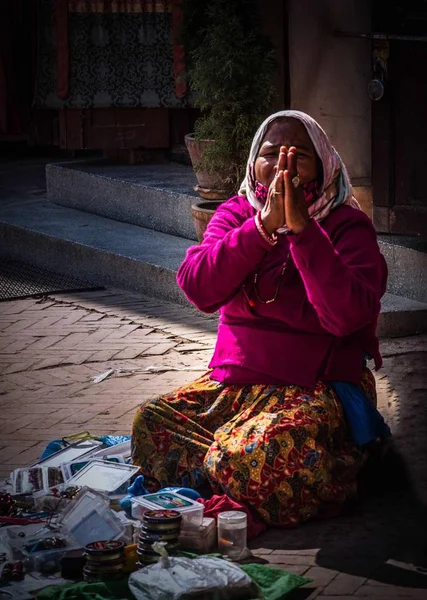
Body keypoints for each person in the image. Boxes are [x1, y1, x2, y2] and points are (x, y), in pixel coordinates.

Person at [132, 110, 390, 527]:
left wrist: (304, 231)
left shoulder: (347, 226)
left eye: (298, 156)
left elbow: (347, 317)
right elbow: (198, 286)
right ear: (253, 165)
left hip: (317, 386)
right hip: (237, 384)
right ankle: (239, 471)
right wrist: (262, 228)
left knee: (260, 451)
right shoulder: (236, 214)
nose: (281, 167)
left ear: (323, 168)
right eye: (270, 155)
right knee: (152, 422)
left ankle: (321, 461)